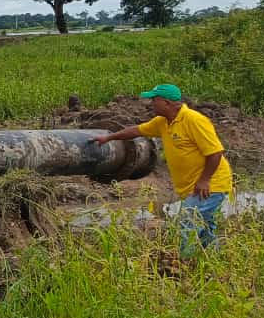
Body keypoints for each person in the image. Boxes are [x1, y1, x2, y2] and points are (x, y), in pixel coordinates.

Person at [93, 83, 234, 255]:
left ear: (166, 103)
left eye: (154, 100)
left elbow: (215, 152)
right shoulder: (163, 122)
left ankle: (183, 263)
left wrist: (204, 180)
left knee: (188, 222)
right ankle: (213, 258)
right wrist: (108, 138)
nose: (151, 103)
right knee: (204, 228)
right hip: (192, 187)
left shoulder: (194, 120)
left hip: (210, 185)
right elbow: (137, 131)